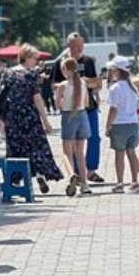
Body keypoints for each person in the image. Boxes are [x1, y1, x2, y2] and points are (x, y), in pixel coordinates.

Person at [0, 44, 63, 192]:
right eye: (34, 58)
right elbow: (37, 98)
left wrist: (0, 118)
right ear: (27, 58)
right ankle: (39, 174)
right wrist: (46, 120)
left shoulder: (7, 73)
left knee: (15, 148)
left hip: (13, 115)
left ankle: (15, 179)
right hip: (29, 114)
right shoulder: (30, 74)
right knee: (36, 146)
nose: (36, 61)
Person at [51, 33, 104, 183]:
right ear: (69, 46)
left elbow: (97, 83)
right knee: (72, 141)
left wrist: (88, 83)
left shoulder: (88, 61)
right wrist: (67, 86)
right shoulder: (61, 63)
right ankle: (76, 172)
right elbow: (53, 84)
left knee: (94, 138)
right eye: (76, 45)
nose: (79, 48)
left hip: (88, 106)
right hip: (70, 108)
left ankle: (91, 170)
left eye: (81, 45)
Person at [55, 58, 92, 197]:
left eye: (62, 69)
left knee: (66, 152)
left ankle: (71, 175)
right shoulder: (82, 83)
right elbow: (86, 102)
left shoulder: (62, 86)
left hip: (68, 116)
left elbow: (58, 105)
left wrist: (63, 100)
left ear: (66, 70)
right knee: (80, 153)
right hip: (82, 115)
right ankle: (84, 184)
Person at [105, 57, 139, 193]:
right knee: (132, 152)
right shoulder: (132, 87)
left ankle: (120, 182)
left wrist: (108, 125)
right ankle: (135, 181)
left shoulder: (115, 88)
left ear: (117, 71)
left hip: (119, 124)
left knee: (119, 154)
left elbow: (113, 109)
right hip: (133, 123)